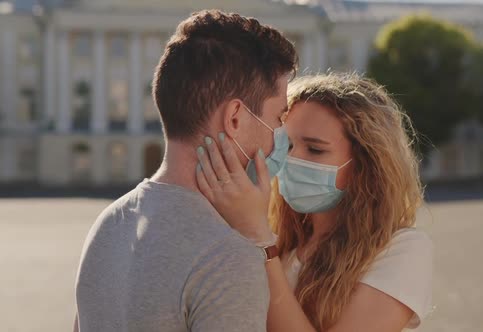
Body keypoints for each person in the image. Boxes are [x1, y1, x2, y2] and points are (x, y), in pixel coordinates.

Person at [73, 10, 297, 332]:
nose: (280, 135)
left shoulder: (108, 223)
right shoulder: (229, 257)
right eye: (278, 117)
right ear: (235, 118)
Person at [196, 73, 433, 331]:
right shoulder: (282, 242)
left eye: (315, 149)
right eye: (287, 147)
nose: (293, 159)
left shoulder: (402, 248)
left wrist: (258, 238)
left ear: (365, 165)